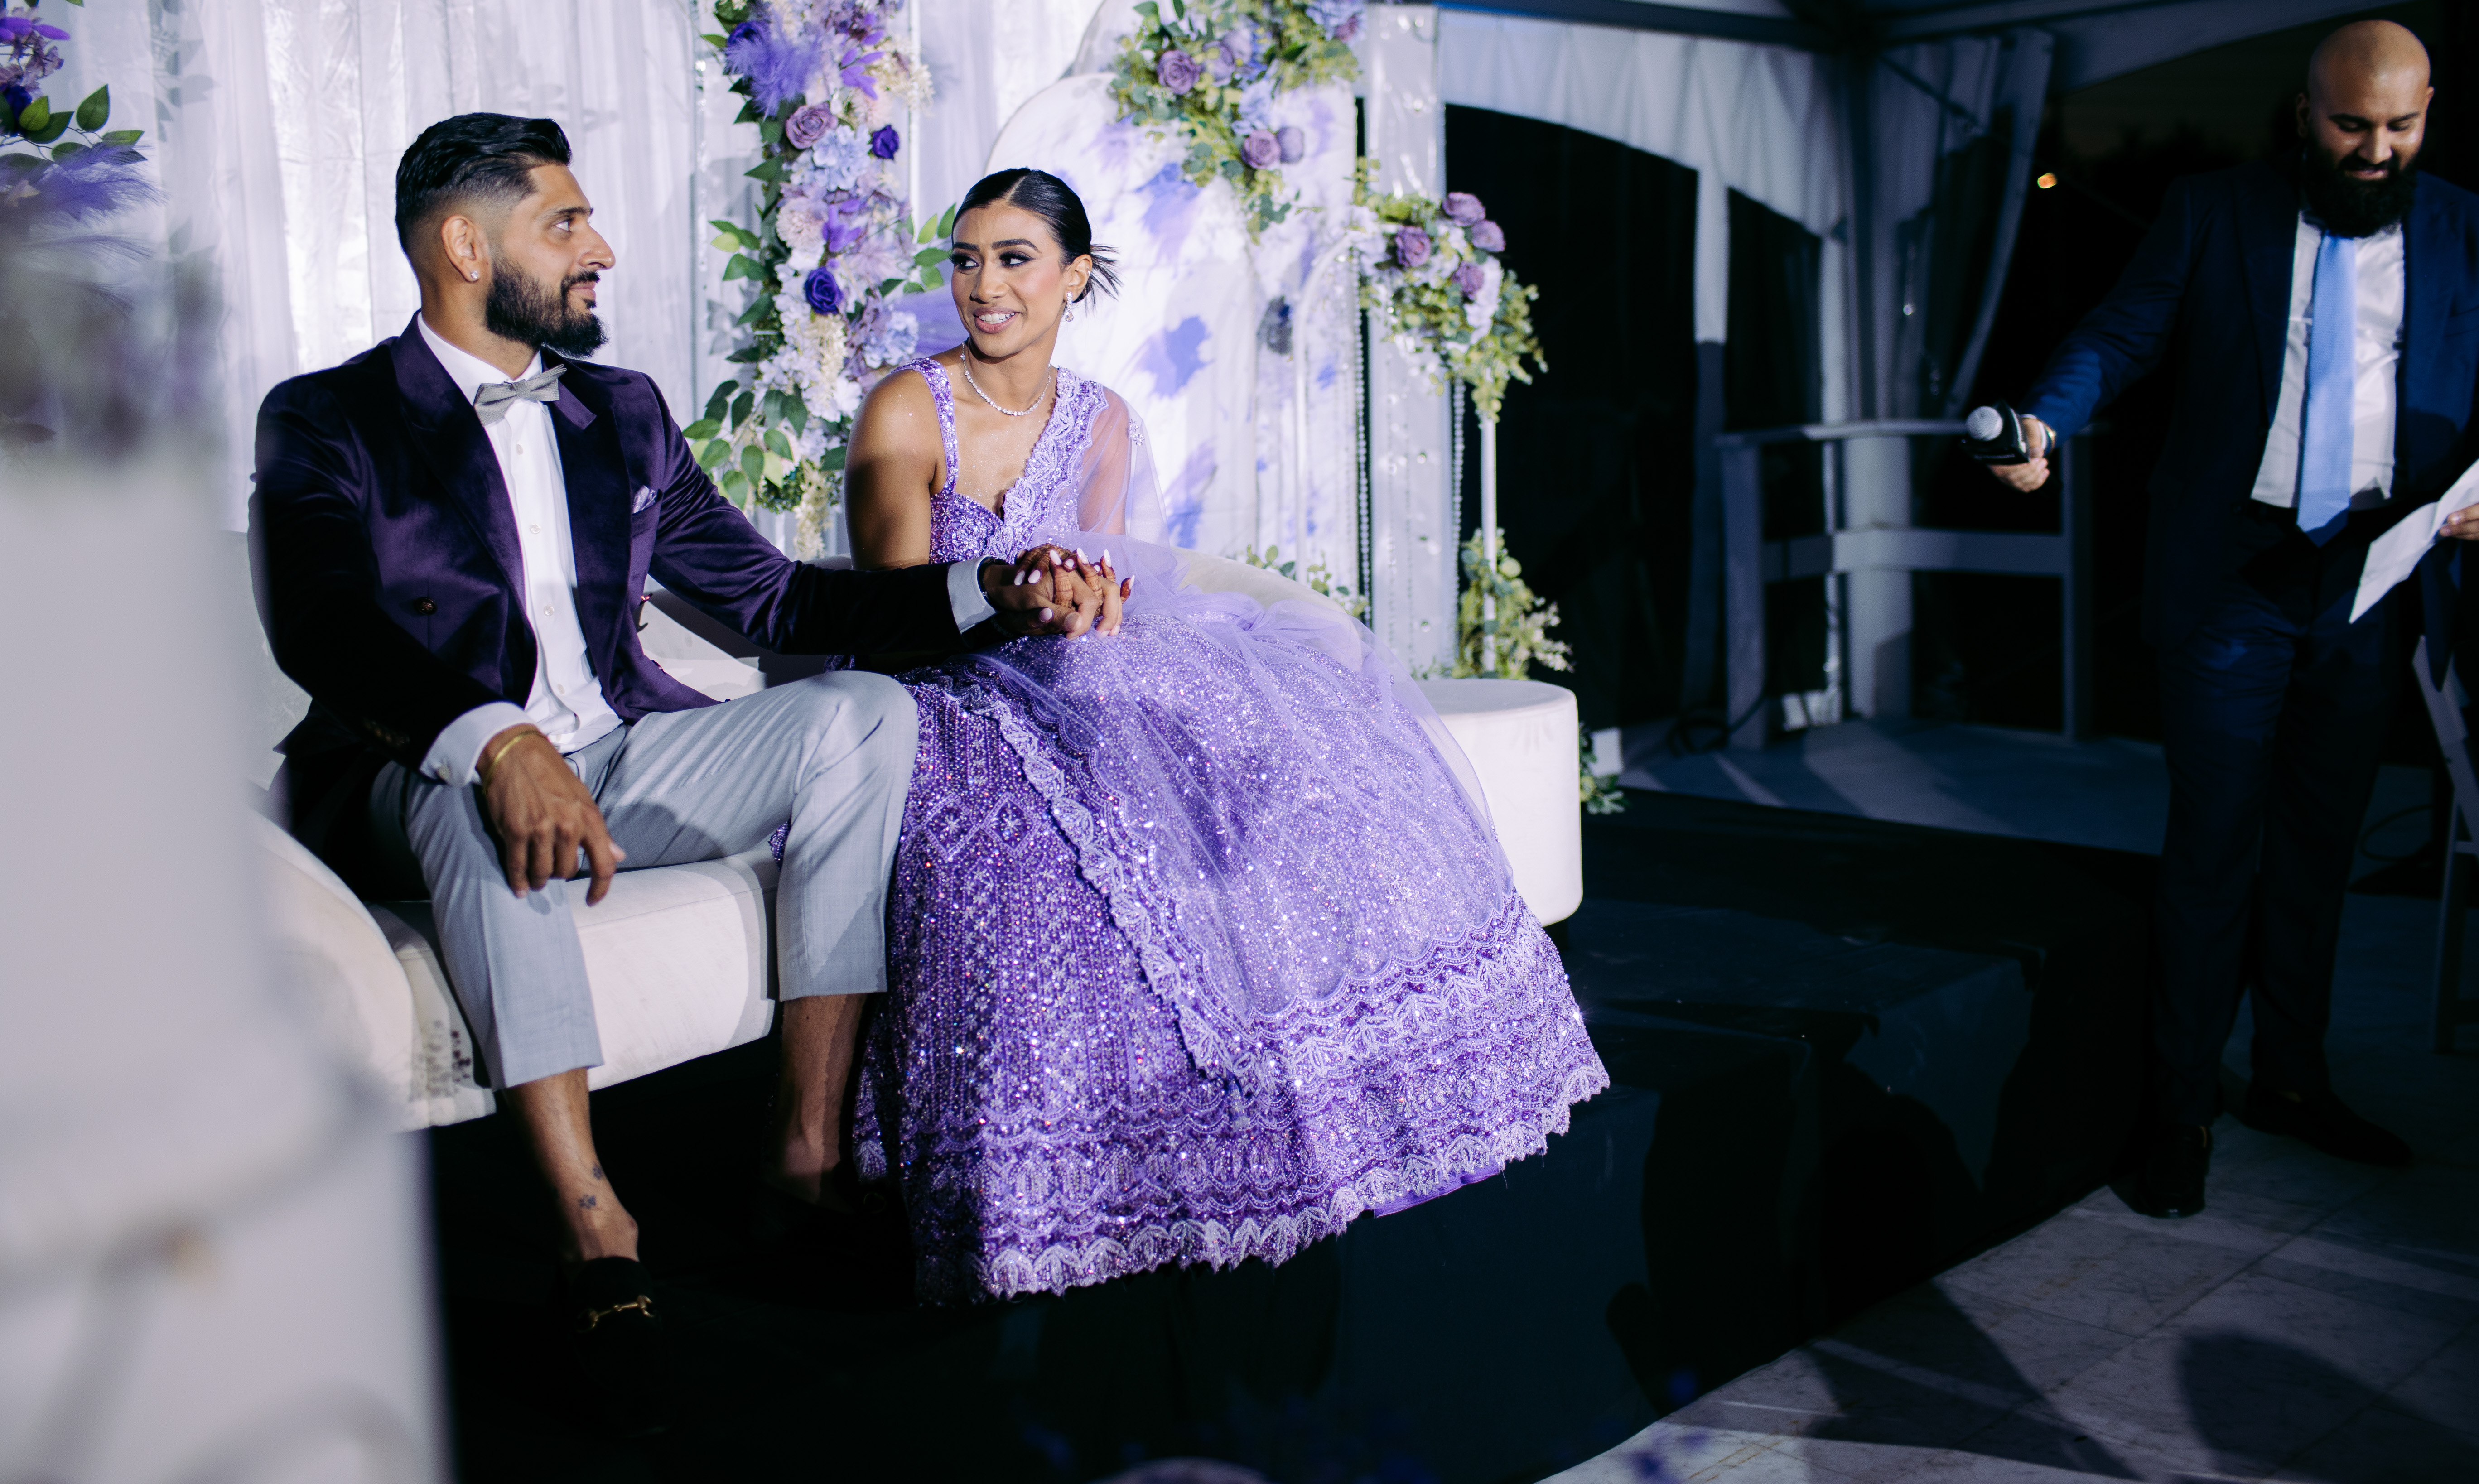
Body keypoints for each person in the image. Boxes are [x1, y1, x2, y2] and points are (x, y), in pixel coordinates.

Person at [250, 114, 1095, 1421]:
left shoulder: (621, 412)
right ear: (467, 246)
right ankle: (593, 1226)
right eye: (566, 224)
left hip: (618, 752)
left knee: (864, 716)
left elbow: (774, 604)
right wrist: (495, 738)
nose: (600, 250)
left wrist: (986, 587)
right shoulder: (327, 417)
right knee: (484, 803)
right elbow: (320, 625)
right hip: (415, 768)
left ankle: (805, 1156)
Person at [833, 169, 1610, 1302]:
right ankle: (1062, 1173)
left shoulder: (1102, 418)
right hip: (939, 682)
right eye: (966, 259)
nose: (984, 285)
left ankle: (1320, 1088)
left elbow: (1113, 579)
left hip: (1062, 665)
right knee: (1020, 842)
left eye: (1014, 259)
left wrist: (1088, 603)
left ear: (1075, 277)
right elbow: (890, 608)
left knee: (1264, 751)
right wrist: (1014, 599)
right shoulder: (908, 407)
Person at [1993, 20, 2476, 1217]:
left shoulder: (2464, 226)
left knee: (2319, 848)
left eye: (2401, 126)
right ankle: (2181, 1111)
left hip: (2373, 575)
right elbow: (2122, 333)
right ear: (2304, 114)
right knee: (2214, 847)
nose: (2376, 150)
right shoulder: (2215, 211)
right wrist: (2046, 420)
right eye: (2352, 125)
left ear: (2428, 114)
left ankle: (2294, 1080)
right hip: (2232, 575)